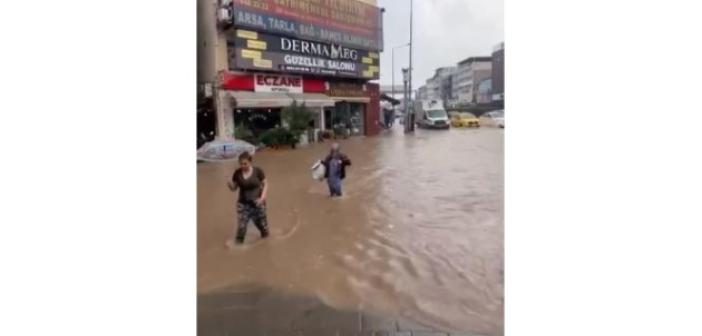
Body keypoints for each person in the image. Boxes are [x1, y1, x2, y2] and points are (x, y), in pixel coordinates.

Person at [227, 152, 269, 245]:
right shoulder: (237, 173)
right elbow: (234, 188)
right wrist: (229, 183)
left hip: (257, 202)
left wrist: (263, 197)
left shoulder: (258, 171)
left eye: (245, 163)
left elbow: (265, 184)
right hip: (243, 204)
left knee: (262, 227)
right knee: (242, 226)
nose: (243, 166)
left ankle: (266, 242)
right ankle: (238, 247)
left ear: (250, 162)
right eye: (241, 163)